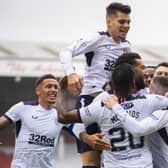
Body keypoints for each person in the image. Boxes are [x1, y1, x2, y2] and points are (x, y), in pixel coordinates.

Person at [59, 2, 131, 167]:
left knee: (114, 157)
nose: (126, 26)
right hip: (90, 102)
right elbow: (66, 51)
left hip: (112, 106)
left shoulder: (126, 47)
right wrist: (71, 73)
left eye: (128, 22)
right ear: (109, 22)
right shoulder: (97, 38)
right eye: (121, 21)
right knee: (91, 161)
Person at [57, 63, 168, 167]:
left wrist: (60, 89)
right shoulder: (149, 102)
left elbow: (63, 117)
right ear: (133, 85)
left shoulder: (99, 107)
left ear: (110, 84)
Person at [0, 74, 111, 168]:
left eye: (55, 87)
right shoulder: (22, 108)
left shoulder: (59, 116)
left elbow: (78, 131)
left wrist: (89, 139)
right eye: (48, 87)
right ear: (38, 90)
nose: (53, 90)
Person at [103, 76, 168, 168]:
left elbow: (138, 130)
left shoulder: (163, 113)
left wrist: (115, 107)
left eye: (149, 89)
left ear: (155, 93)